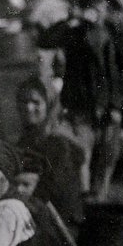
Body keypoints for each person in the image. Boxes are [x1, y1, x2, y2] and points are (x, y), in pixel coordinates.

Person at [38, 0, 123, 200]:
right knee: (82, 158)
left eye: (100, 3)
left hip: (108, 110)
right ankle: (83, 204)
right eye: (91, 3)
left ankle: (100, 201)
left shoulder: (113, 35)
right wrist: (72, 18)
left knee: (107, 160)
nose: (96, 8)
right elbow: (46, 40)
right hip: (81, 107)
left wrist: (117, 106)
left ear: (107, 8)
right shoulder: (74, 32)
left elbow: (121, 74)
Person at [16, 76, 85, 226]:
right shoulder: (24, 140)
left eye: (36, 102)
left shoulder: (59, 144)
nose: (28, 108)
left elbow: (59, 193)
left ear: (49, 105)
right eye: (24, 102)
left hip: (58, 222)